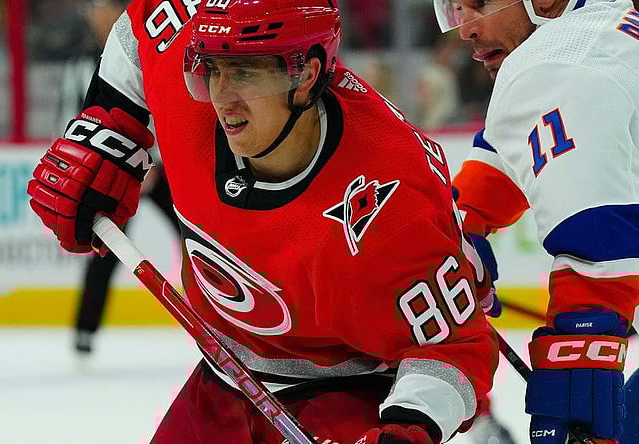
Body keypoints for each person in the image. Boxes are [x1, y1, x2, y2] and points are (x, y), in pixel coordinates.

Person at [27, 0, 500, 442]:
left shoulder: (388, 204)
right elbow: (144, 25)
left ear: (307, 75)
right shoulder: (190, 95)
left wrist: (404, 433)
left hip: (351, 389)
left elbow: (457, 350)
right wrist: (106, 126)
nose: (222, 99)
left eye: (246, 73)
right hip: (224, 375)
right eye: (211, 69)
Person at [433, 0, 639, 443]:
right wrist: (462, 221)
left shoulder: (556, 58)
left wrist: (577, 384)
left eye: (479, 4)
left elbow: (598, 243)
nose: (465, 29)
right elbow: (513, 153)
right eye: (455, 9)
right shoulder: (599, 26)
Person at [55, 0, 179, 355]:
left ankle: (224, 319)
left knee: (196, 238)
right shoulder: (80, 62)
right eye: (92, 8)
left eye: (102, 7)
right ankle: (85, 331)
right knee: (105, 248)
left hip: (157, 168)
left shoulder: (151, 49)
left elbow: (163, 110)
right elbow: (70, 116)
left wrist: (152, 161)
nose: (96, 15)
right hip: (109, 171)